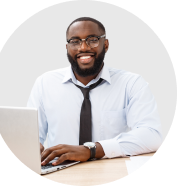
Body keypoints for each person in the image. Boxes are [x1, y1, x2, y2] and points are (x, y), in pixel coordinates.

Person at [27, 17, 163, 166]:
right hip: (59, 171)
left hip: (111, 172)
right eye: (75, 41)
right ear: (67, 47)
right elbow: (30, 137)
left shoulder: (131, 83)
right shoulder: (45, 83)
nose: (83, 47)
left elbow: (152, 136)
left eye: (92, 40)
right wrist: (31, 145)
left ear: (105, 45)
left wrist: (91, 150)